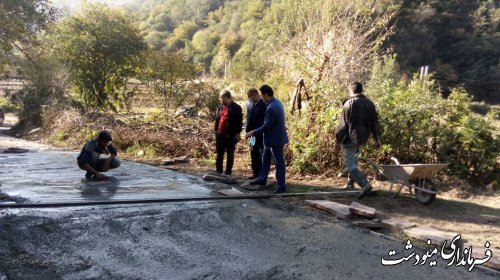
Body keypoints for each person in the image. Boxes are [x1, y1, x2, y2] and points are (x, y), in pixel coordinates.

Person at [335, 82, 382, 199]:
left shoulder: (349, 103)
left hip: (350, 138)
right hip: (362, 138)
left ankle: (364, 184)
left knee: (350, 163)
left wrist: (337, 141)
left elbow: (343, 125)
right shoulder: (370, 104)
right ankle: (350, 184)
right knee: (354, 161)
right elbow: (375, 123)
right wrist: (377, 139)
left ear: (352, 90)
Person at [245, 85, 289, 193]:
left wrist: (253, 132)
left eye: (262, 95)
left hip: (275, 139)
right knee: (265, 159)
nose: (261, 97)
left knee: (279, 163)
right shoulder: (273, 103)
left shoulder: (272, 107)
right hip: (269, 140)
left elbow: (267, 125)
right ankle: (262, 178)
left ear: (265, 94)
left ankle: (281, 186)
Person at [214, 89, 243, 175]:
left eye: (221, 97)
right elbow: (217, 120)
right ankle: (218, 171)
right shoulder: (220, 107)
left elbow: (239, 122)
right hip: (220, 134)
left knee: (230, 154)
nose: (220, 99)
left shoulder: (236, 108)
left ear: (227, 97)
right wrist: (215, 131)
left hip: (230, 135)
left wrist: (238, 133)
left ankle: (228, 172)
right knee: (219, 154)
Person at [245, 87, 266, 179]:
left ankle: (261, 174)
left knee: (261, 153)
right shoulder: (250, 104)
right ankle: (255, 173)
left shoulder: (264, 105)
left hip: (261, 134)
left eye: (250, 96)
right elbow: (248, 118)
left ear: (255, 94)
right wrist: (247, 131)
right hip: (252, 135)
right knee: (253, 152)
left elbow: (265, 121)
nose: (250, 99)